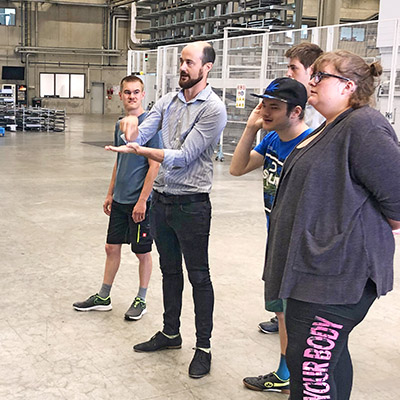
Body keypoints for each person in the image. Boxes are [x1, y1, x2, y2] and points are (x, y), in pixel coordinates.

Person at [264, 50, 400, 399]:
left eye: (320, 76)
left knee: (309, 365)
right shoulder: (333, 126)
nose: (311, 81)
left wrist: (344, 231)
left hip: (337, 277)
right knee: (328, 360)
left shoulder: (363, 125)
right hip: (317, 274)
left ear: (348, 86)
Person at [106, 41, 227, 379]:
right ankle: (171, 333)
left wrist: (139, 148)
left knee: (198, 276)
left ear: (206, 68)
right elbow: (145, 128)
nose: (183, 68)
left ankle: (203, 347)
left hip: (192, 204)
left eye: (189, 62)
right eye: (181, 62)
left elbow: (184, 156)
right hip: (163, 200)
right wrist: (132, 132)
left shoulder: (213, 109)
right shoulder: (167, 101)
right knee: (170, 272)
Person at [230, 77, 313, 394]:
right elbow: (237, 168)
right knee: (281, 312)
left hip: (297, 247)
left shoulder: (308, 145)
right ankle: (285, 373)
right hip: (275, 240)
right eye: (263, 105)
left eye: (273, 107)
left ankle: (298, 378)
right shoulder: (273, 140)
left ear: (296, 112)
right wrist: (251, 129)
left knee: (296, 316)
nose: (264, 111)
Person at [73, 75, 161, 320]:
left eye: (136, 92)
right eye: (127, 92)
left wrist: (143, 200)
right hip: (120, 200)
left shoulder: (150, 124)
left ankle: (141, 299)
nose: (131, 96)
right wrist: (110, 193)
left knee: (141, 252)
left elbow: (154, 166)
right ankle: (104, 297)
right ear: (120, 95)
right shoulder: (120, 125)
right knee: (111, 247)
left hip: (139, 202)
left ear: (143, 95)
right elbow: (119, 159)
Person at [259, 42, 324, 336]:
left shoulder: (320, 121)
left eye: (294, 68)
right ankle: (283, 318)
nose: (289, 72)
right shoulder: (277, 133)